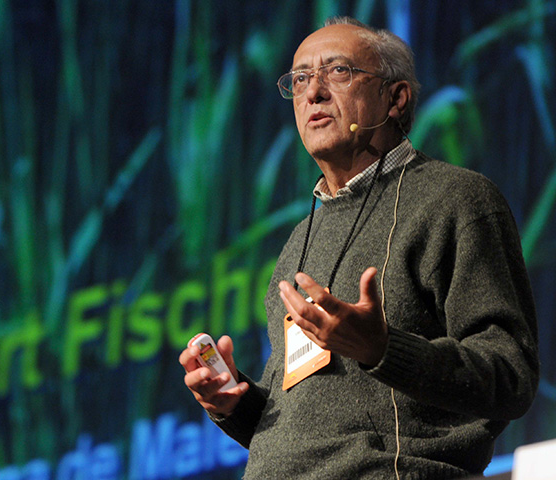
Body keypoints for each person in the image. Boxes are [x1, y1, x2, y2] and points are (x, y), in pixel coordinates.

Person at [179, 16, 539, 479]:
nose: (314, 92)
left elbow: (511, 377)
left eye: (339, 71)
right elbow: (299, 425)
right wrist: (236, 402)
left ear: (396, 98)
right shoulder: (296, 243)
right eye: (301, 78)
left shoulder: (456, 200)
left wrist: (384, 349)